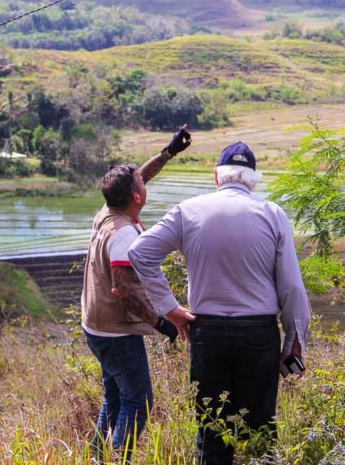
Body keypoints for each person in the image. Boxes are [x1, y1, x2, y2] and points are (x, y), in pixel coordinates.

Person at [128, 142, 311, 465]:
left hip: (206, 333)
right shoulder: (272, 214)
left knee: (212, 431)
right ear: (253, 180)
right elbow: (292, 288)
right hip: (258, 336)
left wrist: (170, 309)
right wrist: (294, 341)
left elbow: (140, 253)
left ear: (216, 177)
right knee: (260, 431)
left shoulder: (189, 210)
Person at [81, 125, 193, 458]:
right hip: (115, 333)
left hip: (96, 327)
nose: (145, 181)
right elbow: (123, 291)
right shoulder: (124, 237)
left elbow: (138, 178)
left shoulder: (109, 211)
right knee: (138, 401)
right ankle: (117, 457)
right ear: (137, 198)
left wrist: (168, 152)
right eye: (142, 184)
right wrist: (163, 324)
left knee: (115, 398)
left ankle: (99, 457)